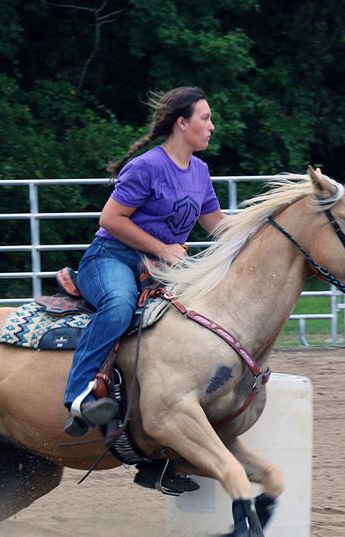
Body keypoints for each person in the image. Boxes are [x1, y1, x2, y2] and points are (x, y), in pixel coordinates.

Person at [63, 86, 225, 437]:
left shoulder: (200, 171)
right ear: (182, 123)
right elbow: (110, 219)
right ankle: (78, 397)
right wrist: (164, 249)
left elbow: (219, 227)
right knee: (119, 306)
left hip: (161, 269)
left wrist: (267, 232)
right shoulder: (147, 167)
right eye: (206, 118)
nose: (212, 126)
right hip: (112, 258)